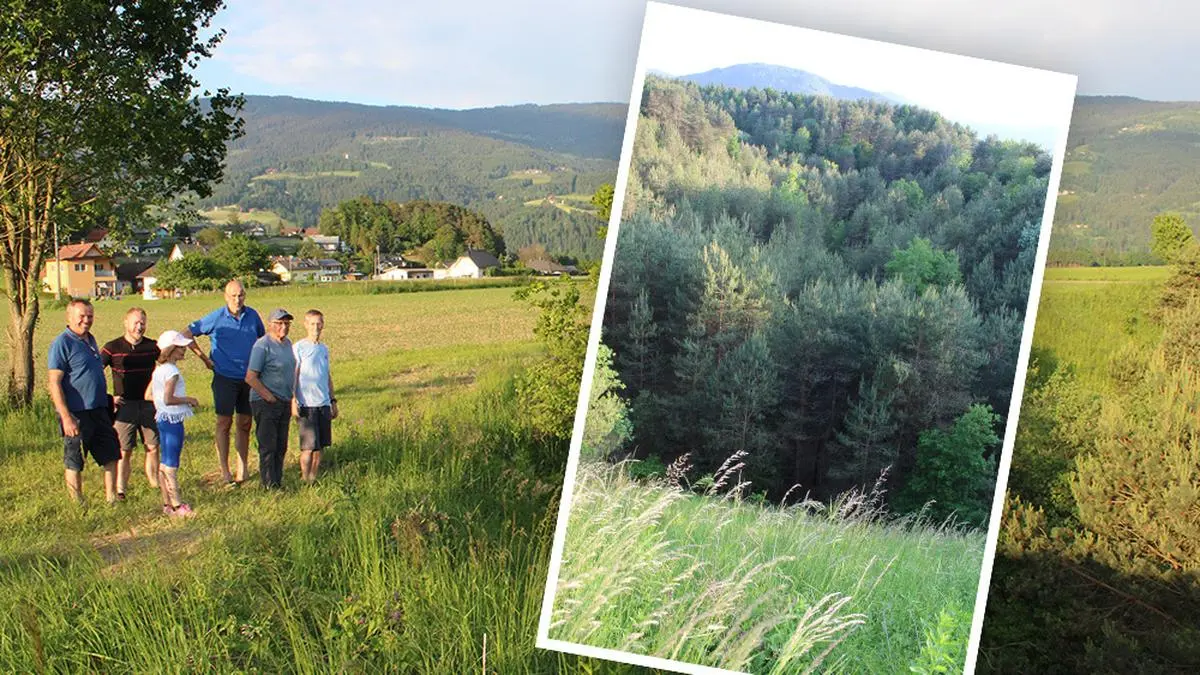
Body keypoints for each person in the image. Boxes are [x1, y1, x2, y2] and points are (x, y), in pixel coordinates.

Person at [181, 279, 264, 487]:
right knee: (224, 423)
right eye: (233, 296)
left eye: (241, 295)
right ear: (226, 297)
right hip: (224, 377)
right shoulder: (216, 317)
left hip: (249, 378)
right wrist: (204, 358)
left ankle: (242, 468)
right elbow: (187, 334)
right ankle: (225, 471)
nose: (237, 299)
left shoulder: (253, 316)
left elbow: (263, 341)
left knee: (245, 423)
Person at [47, 299, 120, 506]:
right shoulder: (62, 343)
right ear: (69, 317)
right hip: (76, 413)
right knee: (75, 459)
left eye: (90, 316)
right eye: (82, 316)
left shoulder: (90, 340)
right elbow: (54, 383)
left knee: (111, 454)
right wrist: (66, 417)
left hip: (99, 410)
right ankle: (77, 503)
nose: (86, 320)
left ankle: (111, 498)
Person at [101, 307, 161, 500]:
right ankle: (121, 489)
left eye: (142, 323)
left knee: (152, 446)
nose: (139, 327)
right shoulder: (112, 347)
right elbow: (94, 371)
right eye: (135, 322)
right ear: (125, 323)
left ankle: (155, 484)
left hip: (148, 405)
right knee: (124, 450)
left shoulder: (153, 347)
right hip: (124, 406)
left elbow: (166, 364)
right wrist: (109, 397)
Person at [150, 330, 200, 516]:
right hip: (173, 420)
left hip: (162, 418)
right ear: (170, 349)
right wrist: (188, 400)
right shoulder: (172, 372)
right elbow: (169, 398)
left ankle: (167, 504)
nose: (184, 350)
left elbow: (152, 395)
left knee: (164, 463)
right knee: (171, 464)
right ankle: (177, 505)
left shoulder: (159, 370)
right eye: (180, 347)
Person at [246, 309, 296, 489]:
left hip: (285, 400)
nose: (283, 327)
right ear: (270, 325)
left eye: (286, 323)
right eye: (279, 323)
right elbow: (250, 377)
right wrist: (269, 397)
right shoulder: (262, 345)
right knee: (268, 445)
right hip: (265, 401)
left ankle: (277, 481)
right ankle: (268, 484)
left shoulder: (288, 344)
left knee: (281, 445)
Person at [292, 309, 338, 483]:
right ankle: (305, 478)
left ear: (323, 325)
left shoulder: (324, 349)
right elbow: (294, 375)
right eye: (312, 324)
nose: (316, 327)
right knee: (308, 447)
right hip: (306, 404)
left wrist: (332, 400)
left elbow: (327, 375)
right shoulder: (299, 347)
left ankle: (313, 477)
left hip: (323, 403)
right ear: (305, 325)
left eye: (319, 323)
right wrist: (293, 400)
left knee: (320, 446)